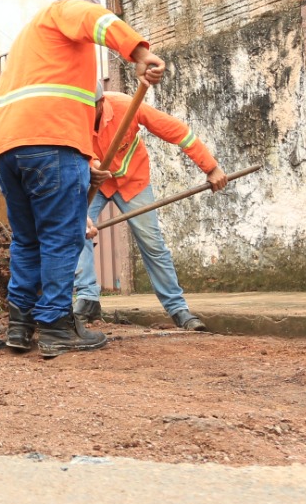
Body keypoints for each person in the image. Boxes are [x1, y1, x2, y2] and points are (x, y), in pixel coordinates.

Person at [0, 0, 165, 357]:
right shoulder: (66, 11)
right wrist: (139, 52)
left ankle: (19, 326)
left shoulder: (36, 46)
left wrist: (86, 162)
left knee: (28, 238)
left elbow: (72, 106)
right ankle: (55, 325)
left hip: (7, 146)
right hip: (49, 143)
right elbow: (92, 18)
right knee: (61, 236)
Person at [72, 91, 227, 331]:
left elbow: (177, 132)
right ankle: (88, 298)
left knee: (153, 244)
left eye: (89, 107)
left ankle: (178, 309)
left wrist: (211, 167)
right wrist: (90, 167)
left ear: (101, 103)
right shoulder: (70, 116)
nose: (82, 112)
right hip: (94, 183)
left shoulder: (127, 106)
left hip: (134, 182)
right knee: (76, 232)